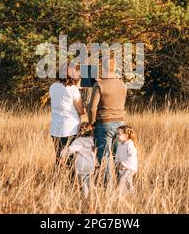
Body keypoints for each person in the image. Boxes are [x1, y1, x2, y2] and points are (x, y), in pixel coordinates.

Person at [88, 56, 127, 187]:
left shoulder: (99, 85)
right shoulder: (123, 85)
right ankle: (122, 185)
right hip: (121, 124)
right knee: (120, 157)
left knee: (104, 157)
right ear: (115, 68)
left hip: (103, 124)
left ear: (102, 68)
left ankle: (108, 187)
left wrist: (92, 123)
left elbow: (92, 108)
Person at [49, 62, 86, 168]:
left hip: (55, 129)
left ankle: (58, 180)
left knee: (59, 157)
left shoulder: (53, 87)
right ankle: (71, 182)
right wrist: (88, 108)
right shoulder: (72, 89)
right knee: (71, 159)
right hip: (70, 129)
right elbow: (81, 111)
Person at [61, 122, 96, 198]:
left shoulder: (78, 141)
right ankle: (93, 197)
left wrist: (62, 154)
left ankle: (85, 198)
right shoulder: (93, 140)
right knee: (91, 183)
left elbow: (70, 150)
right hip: (91, 165)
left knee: (84, 184)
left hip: (81, 166)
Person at [115, 125, 138, 194]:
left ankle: (127, 195)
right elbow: (117, 156)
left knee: (123, 180)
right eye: (117, 134)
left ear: (126, 135)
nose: (117, 136)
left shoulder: (129, 144)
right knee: (127, 182)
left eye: (119, 134)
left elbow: (132, 155)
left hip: (130, 167)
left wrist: (123, 164)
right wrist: (117, 163)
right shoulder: (120, 145)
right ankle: (129, 195)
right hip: (122, 168)